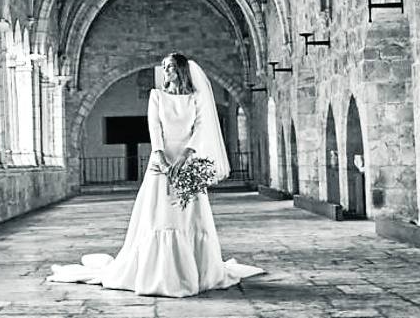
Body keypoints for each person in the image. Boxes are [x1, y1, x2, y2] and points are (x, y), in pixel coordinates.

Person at [47, 53, 264, 297]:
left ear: (181, 70)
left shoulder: (196, 98)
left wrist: (185, 156)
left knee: (188, 215)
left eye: (171, 67)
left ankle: (195, 270)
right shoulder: (156, 96)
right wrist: (160, 156)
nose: (166, 71)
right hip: (161, 160)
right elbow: (155, 127)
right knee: (160, 214)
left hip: (188, 160)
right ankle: (157, 273)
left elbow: (201, 127)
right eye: (164, 67)